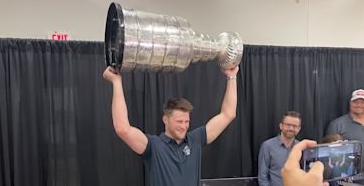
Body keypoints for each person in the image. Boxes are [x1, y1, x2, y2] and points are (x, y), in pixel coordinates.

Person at [103, 65, 239, 186]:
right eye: (179, 122)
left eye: (187, 122)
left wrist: (232, 76)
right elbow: (122, 128)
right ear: (165, 120)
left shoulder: (195, 139)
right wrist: (116, 82)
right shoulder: (153, 146)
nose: (184, 126)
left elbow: (228, 114)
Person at [326, 89, 364, 185]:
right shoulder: (337, 125)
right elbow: (329, 154)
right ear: (350, 103)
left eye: (363, 102)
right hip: (349, 183)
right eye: (355, 102)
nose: (359, 105)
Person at [258, 111, 302, 186]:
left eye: (294, 126)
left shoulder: (301, 147)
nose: (291, 128)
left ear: (299, 129)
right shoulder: (267, 146)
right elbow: (263, 177)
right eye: (288, 125)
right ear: (281, 126)